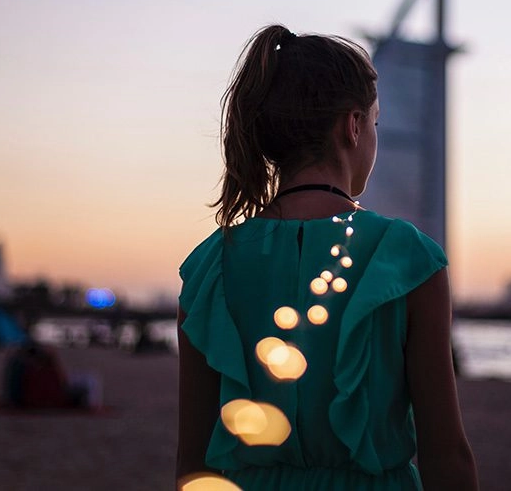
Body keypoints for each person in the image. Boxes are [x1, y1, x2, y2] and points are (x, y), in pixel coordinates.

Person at [176, 25, 478, 490]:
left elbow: (194, 461)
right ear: (352, 126)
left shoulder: (209, 267)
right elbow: (446, 454)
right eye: (375, 123)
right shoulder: (407, 258)